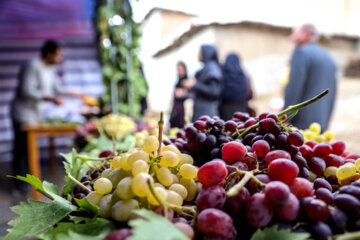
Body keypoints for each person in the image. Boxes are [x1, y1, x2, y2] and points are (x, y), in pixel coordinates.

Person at [11, 40, 86, 190]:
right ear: (49, 54)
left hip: (34, 114)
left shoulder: (50, 70)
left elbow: (58, 89)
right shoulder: (33, 66)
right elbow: (27, 91)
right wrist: (51, 98)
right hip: (22, 113)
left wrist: (78, 94)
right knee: (21, 150)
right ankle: (19, 186)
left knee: (29, 149)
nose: (60, 58)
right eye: (59, 55)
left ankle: (27, 181)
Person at [284, 24, 337, 131]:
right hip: (321, 121)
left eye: (294, 33)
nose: (291, 38)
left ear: (306, 33)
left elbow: (294, 87)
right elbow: (333, 92)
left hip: (301, 121)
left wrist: (285, 117)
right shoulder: (329, 58)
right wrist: (327, 120)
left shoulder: (300, 52)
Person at [183, 44, 222, 121]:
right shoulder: (206, 68)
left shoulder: (212, 68)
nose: (198, 54)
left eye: (200, 52)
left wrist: (195, 84)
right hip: (201, 111)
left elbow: (214, 91)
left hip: (207, 113)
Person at [220, 53, 250, 120]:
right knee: (241, 127)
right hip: (242, 107)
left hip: (226, 108)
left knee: (228, 127)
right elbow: (249, 93)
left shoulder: (223, 75)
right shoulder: (243, 75)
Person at [169, 61, 189, 128]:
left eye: (180, 69)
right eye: (178, 69)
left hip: (182, 110)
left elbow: (189, 94)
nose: (179, 71)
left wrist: (182, 93)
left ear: (184, 69)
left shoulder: (186, 80)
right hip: (175, 108)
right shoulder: (178, 80)